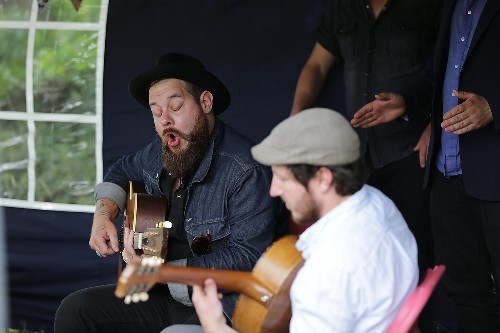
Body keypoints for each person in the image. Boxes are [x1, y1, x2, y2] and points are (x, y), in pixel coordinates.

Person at [53, 53, 286, 333]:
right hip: (161, 296)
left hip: (220, 307)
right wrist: (103, 215)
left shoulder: (245, 169)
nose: (165, 120)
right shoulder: (159, 153)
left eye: (175, 106)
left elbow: (249, 257)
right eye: (156, 112)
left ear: (205, 102)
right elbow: (122, 170)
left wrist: (160, 272)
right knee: (75, 311)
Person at [164, 108, 419, 333]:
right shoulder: (376, 203)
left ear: (323, 178)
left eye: (283, 179)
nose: (273, 190)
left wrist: (215, 326)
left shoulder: (328, 270)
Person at [351, 1, 500, 331]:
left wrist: (493, 107)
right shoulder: (453, 5)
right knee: (465, 292)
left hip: (493, 172)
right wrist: (405, 100)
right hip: (446, 170)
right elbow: (439, 73)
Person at [290, 0, 443, 275]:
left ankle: (415, 319)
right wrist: (297, 114)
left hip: (410, 149)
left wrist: (436, 125)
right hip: (357, 155)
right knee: (362, 251)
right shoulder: (342, 8)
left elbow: (447, 67)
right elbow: (316, 66)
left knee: (413, 252)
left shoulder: (429, 6)